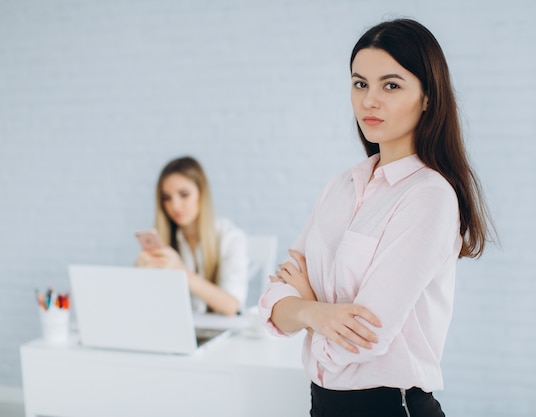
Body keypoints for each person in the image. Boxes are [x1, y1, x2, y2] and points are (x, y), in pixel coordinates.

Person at [259, 19, 494, 416]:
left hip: (389, 406)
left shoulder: (429, 196)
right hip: (323, 404)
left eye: (391, 85)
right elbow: (273, 301)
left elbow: (365, 336)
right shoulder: (341, 186)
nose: (370, 100)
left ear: (427, 97)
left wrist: (305, 308)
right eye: (359, 83)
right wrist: (319, 313)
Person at [136, 156, 248, 316]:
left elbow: (232, 307)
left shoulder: (231, 237)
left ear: (202, 194)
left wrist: (179, 269)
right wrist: (140, 276)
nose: (174, 206)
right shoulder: (167, 239)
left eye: (184, 194)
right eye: (166, 198)